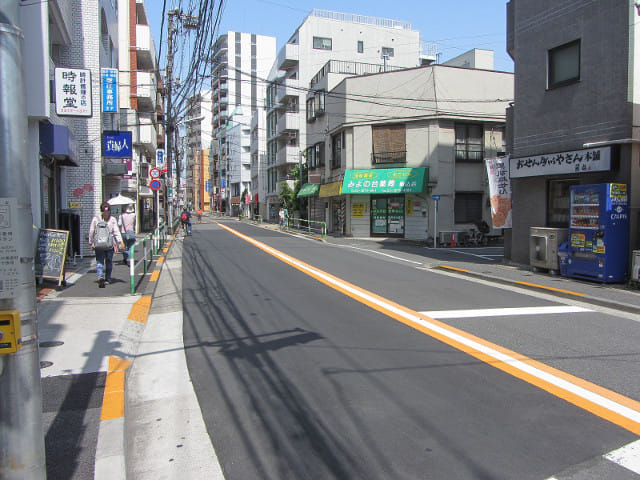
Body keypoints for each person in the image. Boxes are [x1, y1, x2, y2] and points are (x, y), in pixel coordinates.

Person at [89, 201, 124, 288]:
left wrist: (91, 242)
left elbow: (91, 232)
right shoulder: (112, 219)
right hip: (109, 244)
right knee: (109, 262)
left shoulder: (95, 219)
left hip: (99, 244)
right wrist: (120, 241)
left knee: (99, 261)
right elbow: (116, 232)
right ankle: (108, 278)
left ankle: (100, 276)